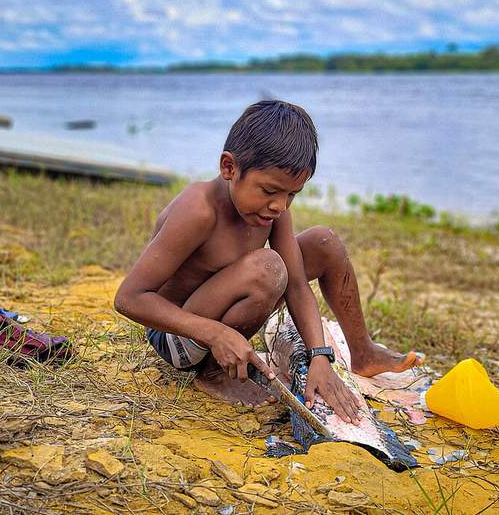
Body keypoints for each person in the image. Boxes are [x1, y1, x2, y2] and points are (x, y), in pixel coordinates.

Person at [114, 100, 422, 424]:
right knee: (268, 268)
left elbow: (299, 284)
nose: (279, 205)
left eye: (292, 194)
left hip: (219, 309)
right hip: (178, 339)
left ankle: (363, 352)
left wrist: (320, 356)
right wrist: (214, 333)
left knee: (323, 242)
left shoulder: (272, 211)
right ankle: (213, 372)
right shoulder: (198, 211)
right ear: (229, 168)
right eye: (269, 191)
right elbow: (129, 298)